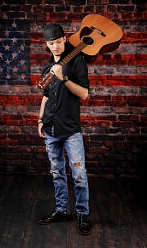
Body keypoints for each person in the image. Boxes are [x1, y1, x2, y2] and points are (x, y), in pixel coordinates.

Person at [36, 22, 91, 235]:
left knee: (78, 174)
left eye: (58, 42)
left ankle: (82, 214)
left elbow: (84, 94)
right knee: (57, 172)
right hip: (50, 127)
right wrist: (40, 120)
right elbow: (46, 96)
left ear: (65, 39)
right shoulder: (46, 67)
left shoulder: (77, 61)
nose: (55, 46)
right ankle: (61, 210)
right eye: (51, 43)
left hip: (71, 129)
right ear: (47, 44)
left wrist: (64, 78)